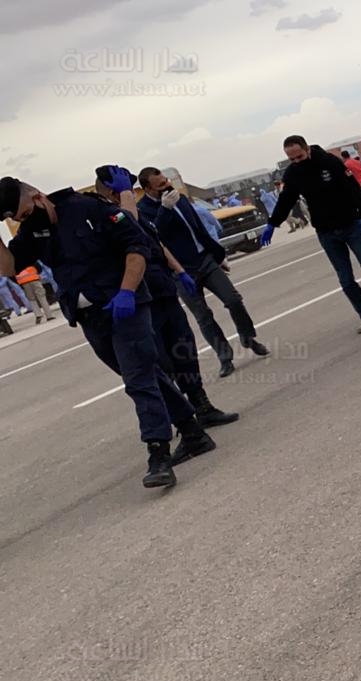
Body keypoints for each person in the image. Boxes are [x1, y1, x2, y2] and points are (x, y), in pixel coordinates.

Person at [0, 176, 216, 489]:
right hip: (90, 317)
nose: (21, 220)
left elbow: (136, 246)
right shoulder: (33, 229)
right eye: (14, 219)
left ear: (36, 196)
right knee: (145, 375)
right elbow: (9, 267)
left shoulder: (89, 208)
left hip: (125, 305)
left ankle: (158, 453)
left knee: (138, 380)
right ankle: (193, 432)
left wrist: (127, 291)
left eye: (21, 213)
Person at [92, 165, 239, 430]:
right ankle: (184, 423)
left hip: (164, 291)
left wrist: (180, 271)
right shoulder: (105, 218)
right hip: (143, 302)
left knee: (185, 353)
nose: (131, 192)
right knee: (163, 364)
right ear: (111, 193)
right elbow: (130, 232)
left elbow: (155, 242)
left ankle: (203, 408)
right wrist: (125, 197)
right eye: (125, 189)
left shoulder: (133, 212)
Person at [137, 168, 271, 378]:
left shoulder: (179, 198)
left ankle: (248, 337)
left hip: (204, 259)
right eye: (161, 185)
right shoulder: (143, 210)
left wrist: (218, 254)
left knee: (233, 300)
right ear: (148, 189)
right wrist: (164, 210)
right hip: (181, 270)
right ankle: (224, 356)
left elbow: (198, 227)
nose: (167, 186)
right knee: (203, 316)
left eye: (166, 181)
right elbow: (155, 235)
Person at [261, 135, 361, 334]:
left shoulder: (329, 161)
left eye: (299, 156)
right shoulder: (293, 174)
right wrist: (272, 224)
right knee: (345, 279)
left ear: (307, 149)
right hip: (326, 232)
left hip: (350, 224)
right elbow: (286, 200)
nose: (297, 161)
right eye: (292, 159)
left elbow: (352, 188)